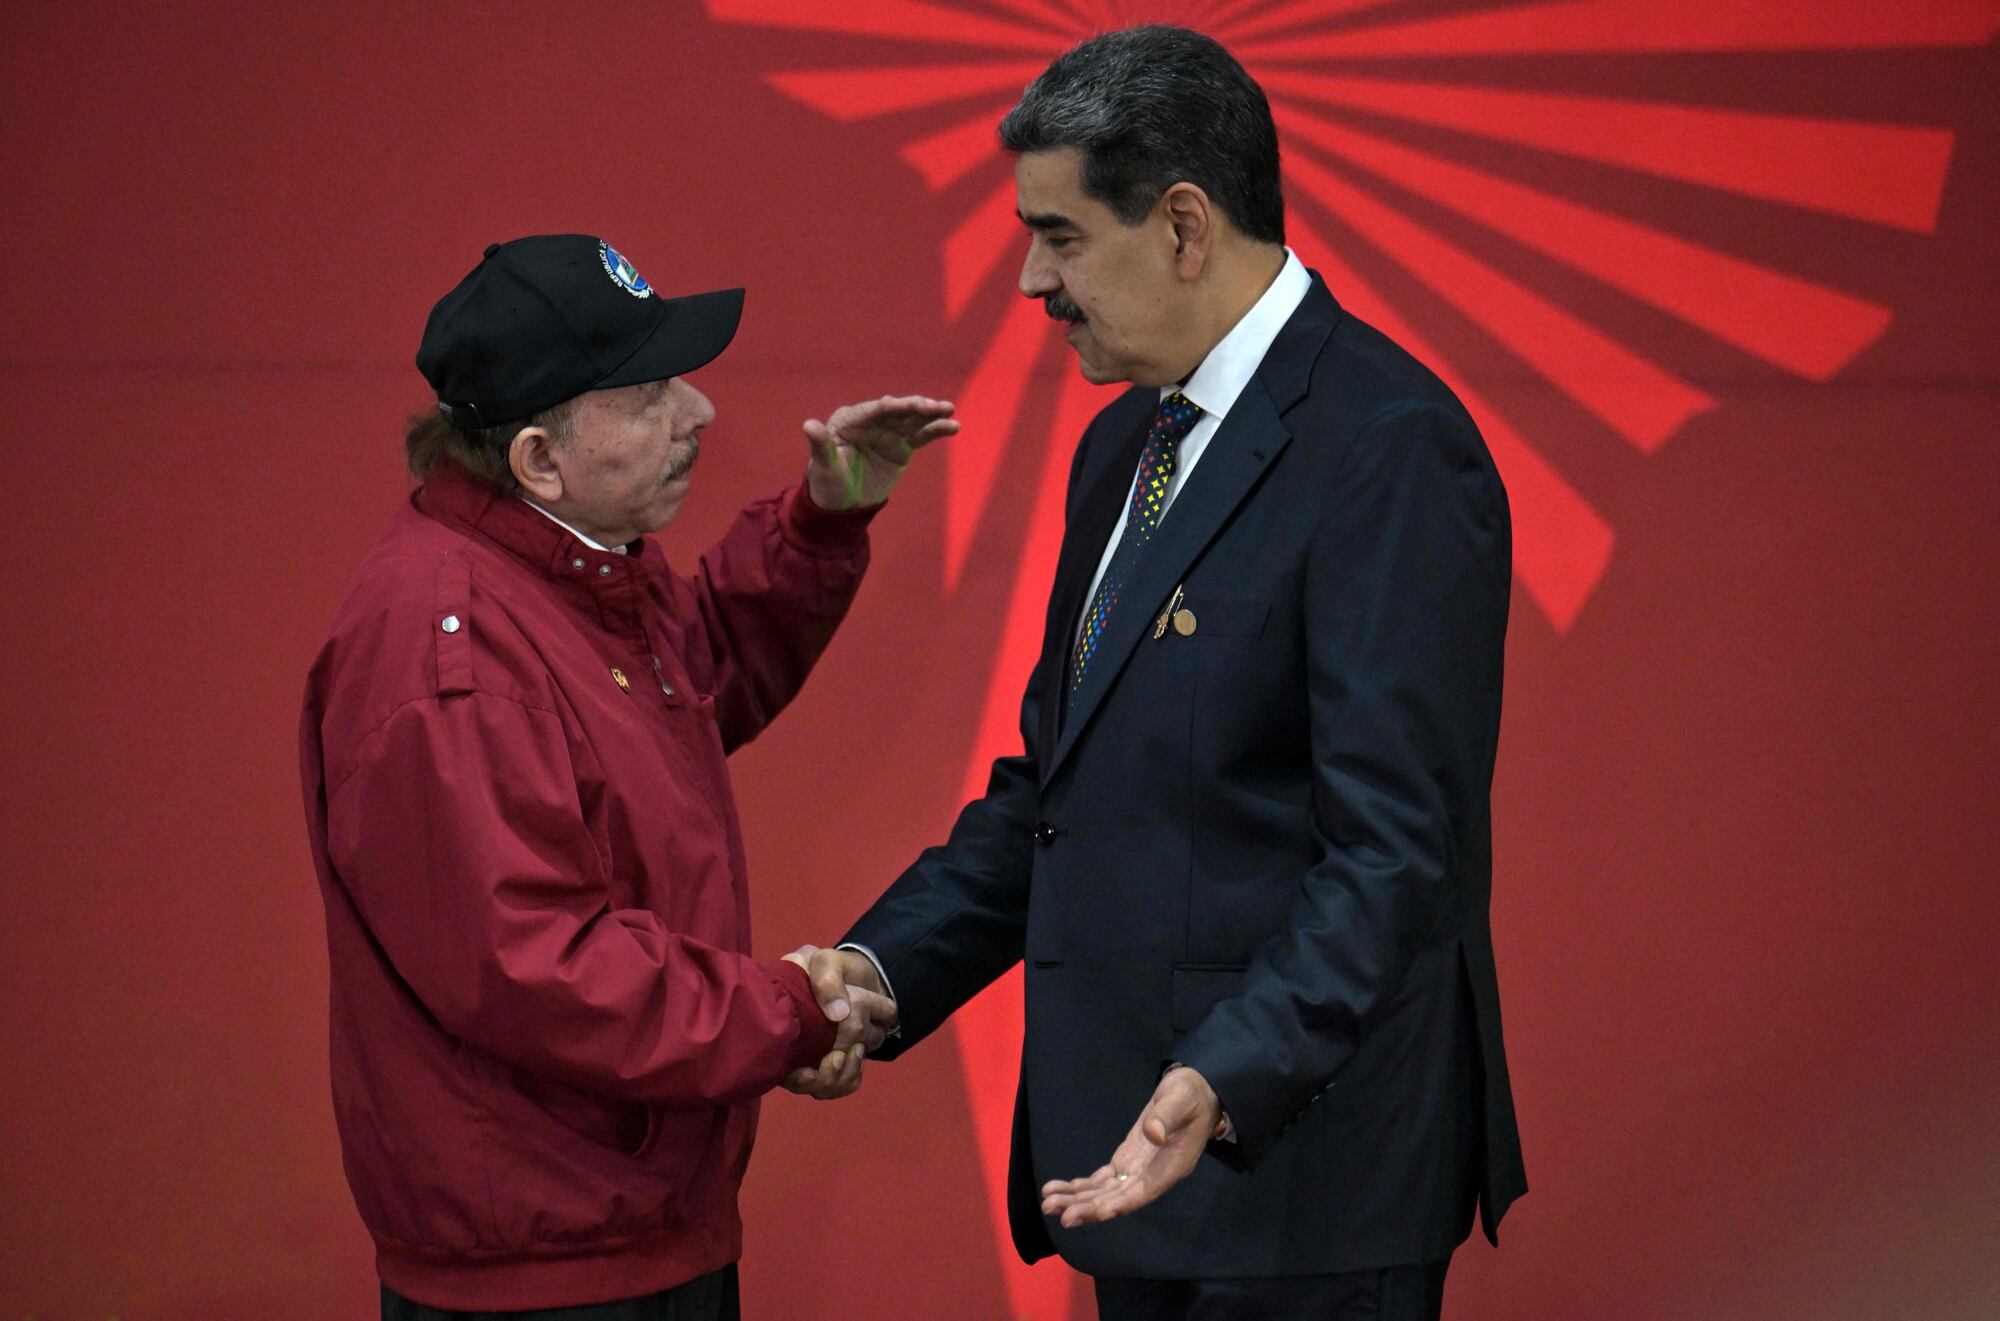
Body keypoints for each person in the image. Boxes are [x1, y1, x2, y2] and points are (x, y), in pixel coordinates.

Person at [790, 27, 1527, 1320]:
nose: (1031, 280)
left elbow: (1396, 853)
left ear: (1185, 226)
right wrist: (881, 969)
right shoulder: (1128, 443)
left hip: (1302, 1181)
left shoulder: (1391, 449)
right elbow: (1055, 793)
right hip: (1145, 1168)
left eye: (1062, 237)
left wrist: (1223, 1075)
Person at [299, 233, 930, 1319]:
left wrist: (818, 523)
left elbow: (685, 681)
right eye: (647, 394)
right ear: (540, 457)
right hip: (553, 1275)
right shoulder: (448, 652)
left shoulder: (563, 568)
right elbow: (539, 964)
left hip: (623, 1227)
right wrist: (782, 1010)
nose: (699, 413)